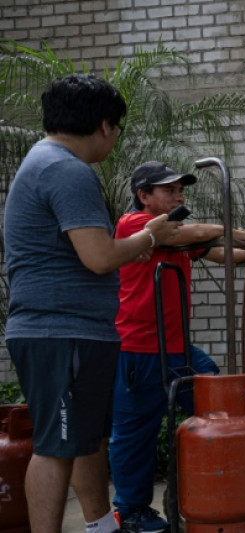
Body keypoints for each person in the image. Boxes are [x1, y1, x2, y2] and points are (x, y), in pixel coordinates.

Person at [3, 74, 180, 533]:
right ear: (104, 125)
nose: (116, 137)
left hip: (72, 330)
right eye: (117, 127)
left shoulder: (46, 162)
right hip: (61, 331)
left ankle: (102, 526)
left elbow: (92, 251)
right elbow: (100, 257)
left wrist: (131, 246)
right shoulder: (65, 169)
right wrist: (151, 235)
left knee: (84, 441)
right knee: (57, 446)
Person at [109, 161, 245, 533]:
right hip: (140, 351)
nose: (179, 195)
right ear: (143, 195)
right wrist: (242, 231)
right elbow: (197, 232)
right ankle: (131, 512)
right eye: (169, 190)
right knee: (136, 433)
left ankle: (212, 489)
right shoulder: (135, 226)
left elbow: (218, 253)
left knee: (220, 403)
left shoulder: (179, 237)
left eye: (181, 189)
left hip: (179, 350)